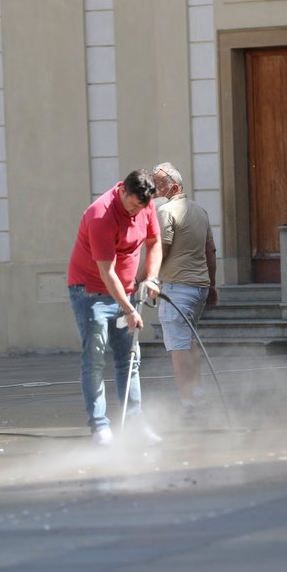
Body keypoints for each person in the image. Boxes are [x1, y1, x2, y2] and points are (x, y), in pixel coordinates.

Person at [67, 169, 163, 446]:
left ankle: (134, 422)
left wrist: (152, 276)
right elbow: (107, 272)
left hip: (126, 290)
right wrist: (130, 310)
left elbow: (154, 242)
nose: (137, 212)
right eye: (133, 205)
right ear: (123, 192)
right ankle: (100, 428)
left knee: (129, 358)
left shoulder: (146, 204)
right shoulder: (101, 216)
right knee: (95, 359)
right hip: (90, 293)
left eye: (142, 206)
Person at [152, 163, 218, 416]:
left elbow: (162, 249)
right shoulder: (200, 211)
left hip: (177, 288)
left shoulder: (166, 212)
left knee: (178, 346)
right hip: (198, 288)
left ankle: (188, 403)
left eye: (160, 185)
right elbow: (210, 252)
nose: (155, 190)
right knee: (188, 341)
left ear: (175, 187)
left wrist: (145, 277)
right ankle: (197, 392)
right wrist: (212, 285)